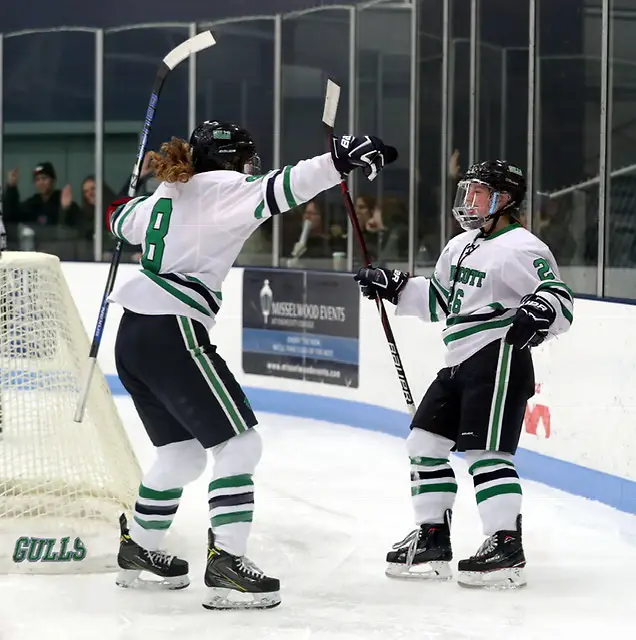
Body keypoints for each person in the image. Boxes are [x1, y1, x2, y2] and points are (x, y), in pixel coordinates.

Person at [106, 120, 396, 609]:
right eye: (245, 158)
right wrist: (338, 160)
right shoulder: (226, 189)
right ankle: (226, 565)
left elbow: (117, 219)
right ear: (228, 159)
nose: (249, 168)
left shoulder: (164, 195)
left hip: (134, 336)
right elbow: (288, 185)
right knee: (240, 445)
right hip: (172, 330)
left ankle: (139, 546)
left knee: (182, 456)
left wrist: (134, 191)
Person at [354, 160, 573, 589]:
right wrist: (395, 286)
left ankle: (505, 544)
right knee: (424, 441)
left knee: (486, 454)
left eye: (479, 193)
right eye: (467, 191)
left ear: (504, 199)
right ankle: (433, 537)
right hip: (458, 359)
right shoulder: (461, 245)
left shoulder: (522, 247)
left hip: (498, 357)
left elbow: (557, 298)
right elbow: (439, 299)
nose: (469, 201)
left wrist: (540, 309)